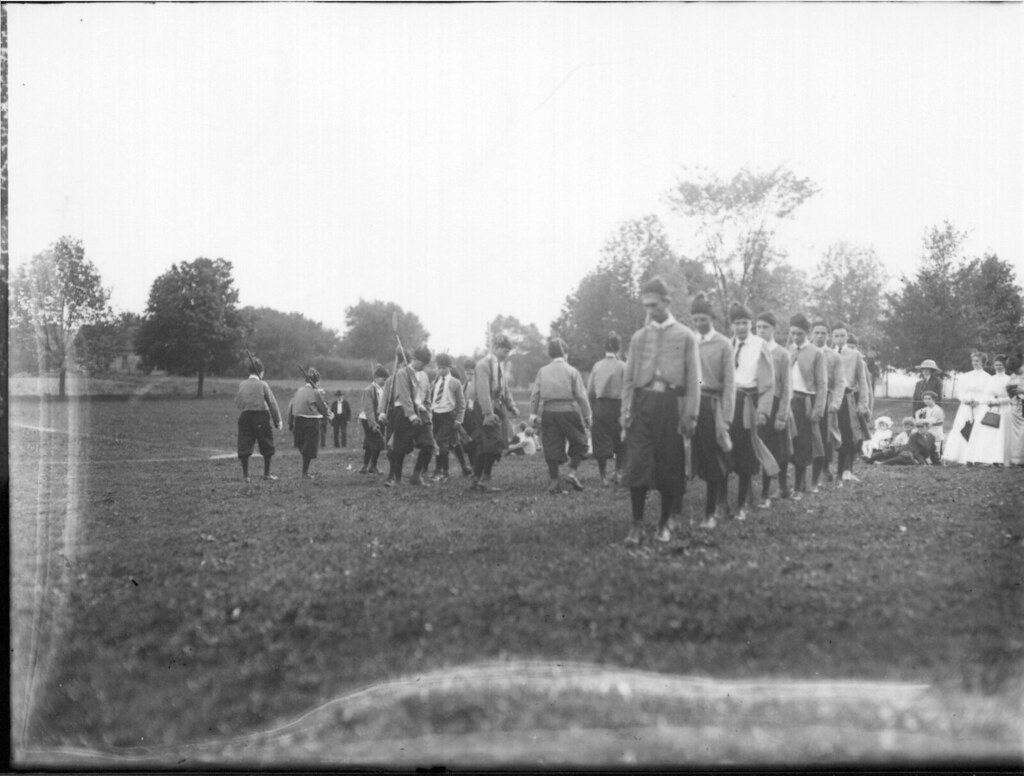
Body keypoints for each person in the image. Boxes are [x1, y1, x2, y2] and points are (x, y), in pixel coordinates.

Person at [620, 278, 700, 546]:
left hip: (671, 405)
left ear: (667, 302)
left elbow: (694, 379)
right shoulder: (639, 337)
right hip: (642, 405)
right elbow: (628, 378)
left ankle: (664, 523)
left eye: (654, 305)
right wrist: (625, 411)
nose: (649, 310)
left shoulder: (684, 336)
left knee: (669, 465)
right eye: (646, 306)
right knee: (637, 464)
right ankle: (636, 525)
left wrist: (690, 414)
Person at [689, 294, 734, 528]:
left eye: (703, 319)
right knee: (686, 457)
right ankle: (674, 513)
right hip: (691, 404)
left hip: (712, 405)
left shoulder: (723, 344)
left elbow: (729, 384)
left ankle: (711, 513)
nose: (699, 324)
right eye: (695, 319)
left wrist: (725, 418)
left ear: (712, 318)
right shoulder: (688, 341)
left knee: (713, 459)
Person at [729, 302, 777, 520]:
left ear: (750, 324)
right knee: (725, 450)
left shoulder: (759, 345)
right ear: (732, 325)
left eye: (745, 323)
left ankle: (742, 503)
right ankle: (722, 501)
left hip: (749, 401)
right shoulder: (727, 344)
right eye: (737, 323)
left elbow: (768, 384)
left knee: (746, 452)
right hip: (728, 402)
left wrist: (763, 411)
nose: (741, 327)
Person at [530, 337, 592, 494]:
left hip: (549, 413)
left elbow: (535, 395)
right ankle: (572, 473)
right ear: (565, 353)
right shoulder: (572, 371)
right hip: (569, 412)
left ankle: (554, 482)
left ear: (550, 354)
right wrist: (587, 416)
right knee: (580, 442)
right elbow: (581, 396)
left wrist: (533, 414)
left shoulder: (543, 371)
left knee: (551, 446)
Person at [783, 314, 828, 500]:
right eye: (792, 333)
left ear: (807, 333)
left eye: (799, 333)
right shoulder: (788, 351)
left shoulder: (816, 353)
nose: (795, 337)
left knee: (802, 444)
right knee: (785, 442)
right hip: (788, 401)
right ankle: (782, 486)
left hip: (805, 403)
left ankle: (798, 488)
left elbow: (822, 384)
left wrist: (818, 409)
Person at [467, 334, 519, 492]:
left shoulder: (499, 365)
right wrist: (488, 413)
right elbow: (482, 390)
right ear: (495, 348)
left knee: (486, 446)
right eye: (505, 351)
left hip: (495, 406)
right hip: (484, 408)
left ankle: (476, 479)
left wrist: (511, 405)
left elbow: (504, 388)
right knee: (495, 444)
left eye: (508, 352)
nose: (507, 355)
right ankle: (485, 479)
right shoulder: (483, 365)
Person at [384, 344, 437, 487]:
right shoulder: (403, 373)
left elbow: (427, 397)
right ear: (415, 359)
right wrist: (411, 415)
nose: (423, 367)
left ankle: (416, 475)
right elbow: (405, 396)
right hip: (403, 412)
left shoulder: (424, 376)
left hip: (421, 413)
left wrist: (428, 414)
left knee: (428, 445)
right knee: (400, 448)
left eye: (425, 364)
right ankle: (397, 478)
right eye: (422, 363)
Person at [755, 312, 793, 507]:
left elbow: (787, 388)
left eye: (765, 327)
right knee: (755, 446)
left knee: (775, 449)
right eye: (758, 327)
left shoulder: (782, 354)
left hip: (775, 405)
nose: (761, 331)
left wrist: (782, 415)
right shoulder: (751, 350)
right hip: (755, 404)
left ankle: (771, 491)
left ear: (774, 329)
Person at [832, 322, 872, 483]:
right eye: (836, 336)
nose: (839, 339)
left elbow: (862, 381)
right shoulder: (826, 353)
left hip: (847, 398)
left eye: (842, 335)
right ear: (832, 337)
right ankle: (825, 471)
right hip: (830, 398)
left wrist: (863, 403)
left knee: (848, 434)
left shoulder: (855, 355)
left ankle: (844, 471)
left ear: (847, 336)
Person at [810, 320, 846, 491]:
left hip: (825, 400)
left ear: (828, 336)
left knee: (823, 438)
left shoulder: (834, 357)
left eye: (823, 333)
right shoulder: (804, 352)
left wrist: (835, 402)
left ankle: (819, 473)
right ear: (811, 334)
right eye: (816, 332)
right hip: (805, 398)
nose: (819, 336)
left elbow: (840, 382)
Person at [587, 332, 626, 487]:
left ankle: (603, 476)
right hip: (618, 407)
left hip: (600, 407)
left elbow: (590, 391)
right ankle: (618, 472)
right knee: (621, 441)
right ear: (619, 348)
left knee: (600, 441)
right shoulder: (622, 366)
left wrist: (594, 407)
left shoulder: (597, 366)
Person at [235, 357, 282, 482]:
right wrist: (277, 421)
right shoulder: (263, 384)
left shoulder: (242, 384)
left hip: (245, 417)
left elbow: (238, 403)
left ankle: (246, 476)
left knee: (244, 444)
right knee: (266, 444)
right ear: (261, 372)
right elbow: (272, 403)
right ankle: (267, 474)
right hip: (261, 417)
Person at [943, 352, 993, 465]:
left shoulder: (988, 378)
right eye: (973, 361)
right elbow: (961, 392)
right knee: (961, 428)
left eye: (977, 361)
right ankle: (960, 456)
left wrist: (978, 401)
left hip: (980, 407)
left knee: (978, 430)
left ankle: (976, 457)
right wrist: (965, 399)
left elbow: (988, 394)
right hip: (966, 407)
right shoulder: (966, 376)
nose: (975, 363)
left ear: (983, 362)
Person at [429, 353, 468, 483]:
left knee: (441, 442)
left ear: (449, 368)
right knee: (441, 442)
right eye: (439, 368)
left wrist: (459, 419)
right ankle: (444, 470)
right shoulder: (435, 382)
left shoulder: (455, 383)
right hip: (435, 415)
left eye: (444, 368)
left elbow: (461, 403)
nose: (441, 370)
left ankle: (442, 471)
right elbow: (431, 397)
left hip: (448, 415)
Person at [287, 367, 333, 479]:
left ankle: (305, 471)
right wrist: (330, 415)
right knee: (309, 448)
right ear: (316, 381)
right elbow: (323, 408)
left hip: (298, 421)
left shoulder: (299, 391)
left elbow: (291, 406)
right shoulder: (316, 392)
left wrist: (290, 422)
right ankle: (305, 473)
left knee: (302, 445)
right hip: (311, 422)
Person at [966, 354, 1012, 466]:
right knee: (986, 433)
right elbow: (985, 394)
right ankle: (984, 458)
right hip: (990, 409)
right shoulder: (991, 379)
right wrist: (989, 400)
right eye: (996, 365)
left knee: (1000, 434)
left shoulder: (1009, 379)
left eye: (1000, 365)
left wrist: (998, 401)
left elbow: (1012, 397)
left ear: (1005, 365)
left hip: (1003, 409)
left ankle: (999, 459)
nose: (998, 367)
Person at [359, 365, 388, 474]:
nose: (385, 382)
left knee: (370, 442)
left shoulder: (383, 389)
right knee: (378, 442)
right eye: (383, 379)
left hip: (379, 419)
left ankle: (366, 466)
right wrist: (373, 424)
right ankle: (372, 466)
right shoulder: (369, 390)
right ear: (375, 378)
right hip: (368, 420)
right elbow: (369, 409)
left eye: (386, 380)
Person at [1004, 354, 1024, 465]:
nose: (1015, 372)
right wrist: (1010, 390)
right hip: (1016, 405)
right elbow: (1008, 387)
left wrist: (1021, 391)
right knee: (1016, 433)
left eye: (1017, 370)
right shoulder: (1013, 375)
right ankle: (1017, 458)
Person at [914, 390, 945, 462]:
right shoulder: (926, 409)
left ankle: (937, 459)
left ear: (933, 399)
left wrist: (919, 421)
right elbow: (917, 412)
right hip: (929, 430)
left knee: (936, 449)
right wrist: (917, 417)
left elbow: (931, 421)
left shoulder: (937, 410)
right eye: (925, 399)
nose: (926, 400)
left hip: (936, 431)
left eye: (929, 399)